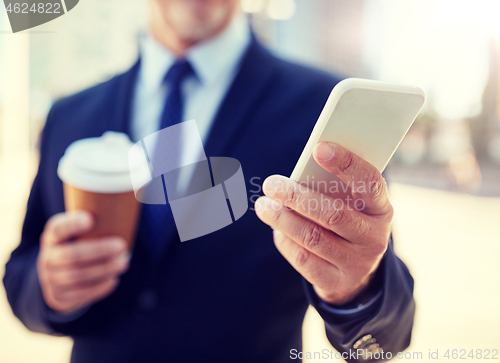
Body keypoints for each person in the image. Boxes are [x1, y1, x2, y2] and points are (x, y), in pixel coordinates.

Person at [3, 0, 415, 362]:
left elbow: (382, 343)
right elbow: (21, 272)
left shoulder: (324, 111)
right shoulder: (70, 115)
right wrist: (47, 286)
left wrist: (358, 289)